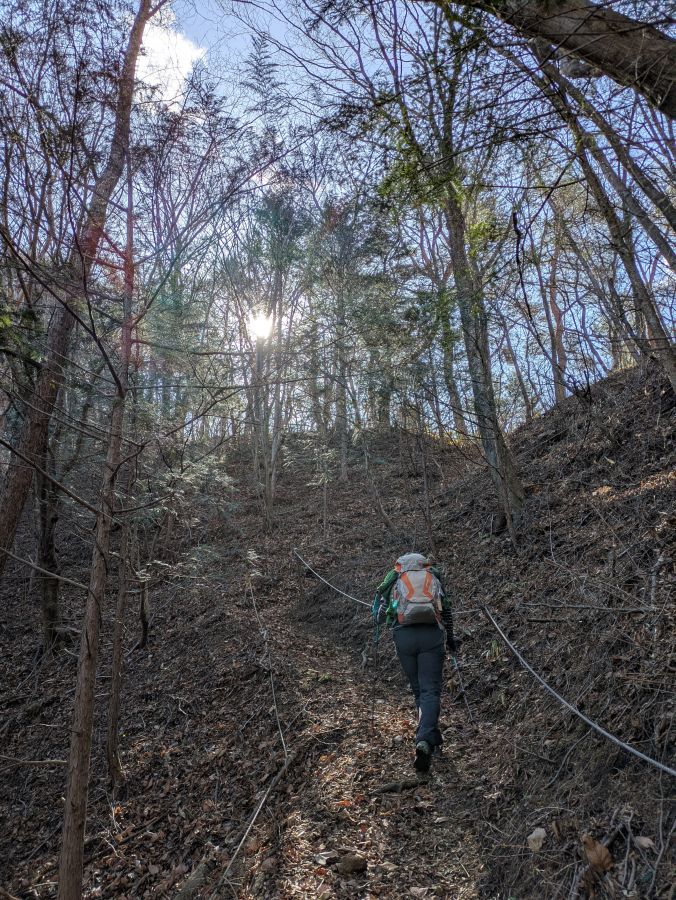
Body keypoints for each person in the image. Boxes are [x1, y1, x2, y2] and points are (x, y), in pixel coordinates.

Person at [373, 552, 457, 773]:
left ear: (400, 565)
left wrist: (381, 613)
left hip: (404, 638)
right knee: (431, 690)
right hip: (431, 636)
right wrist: (451, 638)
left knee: (419, 691)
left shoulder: (396, 580)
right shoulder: (433, 578)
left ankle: (428, 736)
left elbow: (382, 616)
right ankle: (425, 739)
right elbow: (446, 609)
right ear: (423, 565)